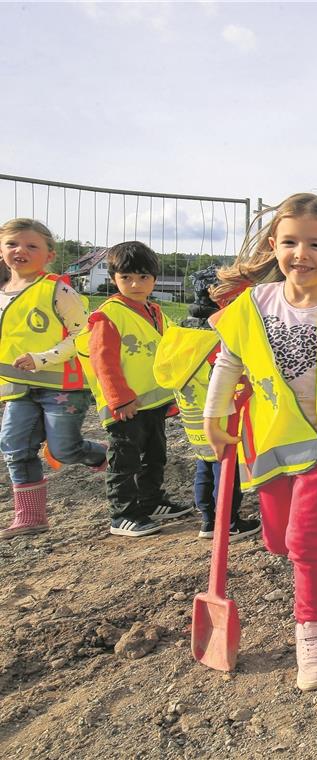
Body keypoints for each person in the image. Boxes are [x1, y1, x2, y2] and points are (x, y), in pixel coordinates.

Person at [204, 192, 317, 692]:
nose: (300, 253)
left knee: (306, 541)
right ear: (273, 245)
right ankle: (311, 575)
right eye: (289, 242)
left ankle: (312, 630)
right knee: (278, 540)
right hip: (269, 444)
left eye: (315, 244)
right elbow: (229, 360)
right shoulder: (253, 305)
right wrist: (214, 414)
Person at [0, 219, 107, 538]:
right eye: (12, 244)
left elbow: (82, 334)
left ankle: (103, 453)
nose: (21, 250)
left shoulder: (57, 290)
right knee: (15, 446)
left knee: (63, 450)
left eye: (32, 245)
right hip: (17, 387)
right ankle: (31, 518)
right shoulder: (3, 293)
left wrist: (41, 358)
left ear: (49, 255)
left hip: (61, 386)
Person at [76, 242, 188, 537]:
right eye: (126, 277)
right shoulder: (108, 316)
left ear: (154, 278)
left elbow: (175, 343)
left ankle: (151, 501)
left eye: (143, 277)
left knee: (155, 455)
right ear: (114, 278)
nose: (135, 284)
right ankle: (122, 514)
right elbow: (104, 361)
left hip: (153, 402)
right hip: (125, 407)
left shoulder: (155, 311)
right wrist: (119, 400)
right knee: (124, 460)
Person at [153, 274, 260, 541]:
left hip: (192, 414)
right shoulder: (219, 333)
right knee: (226, 468)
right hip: (220, 415)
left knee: (205, 463)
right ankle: (228, 522)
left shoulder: (181, 331)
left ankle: (208, 520)